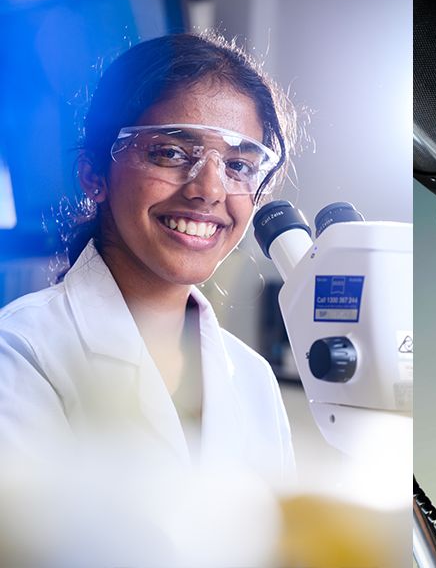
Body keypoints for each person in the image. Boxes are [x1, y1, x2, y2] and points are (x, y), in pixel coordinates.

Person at [0, 32, 296, 482]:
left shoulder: (254, 379)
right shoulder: (21, 352)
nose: (209, 190)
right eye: (171, 153)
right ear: (94, 175)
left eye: (238, 166)